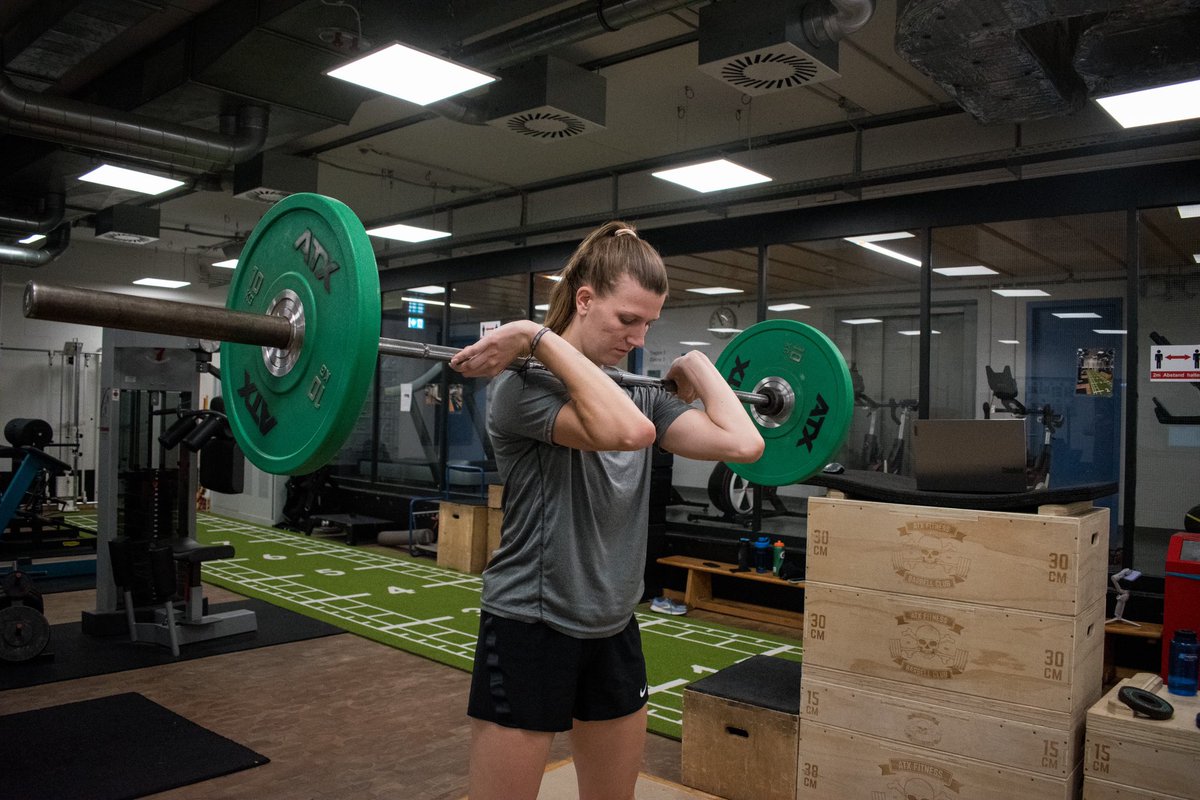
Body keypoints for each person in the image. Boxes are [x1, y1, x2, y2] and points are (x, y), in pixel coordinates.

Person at [448, 220, 764, 800]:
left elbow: (745, 445)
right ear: (585, 299)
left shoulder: (639, 388)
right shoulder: (523, 388)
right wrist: (534, 338)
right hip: (530, 622)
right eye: (628, 320)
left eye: (650, 324)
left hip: (613, 624)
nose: (639, 338)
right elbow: (629, 431)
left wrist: (697, 366)